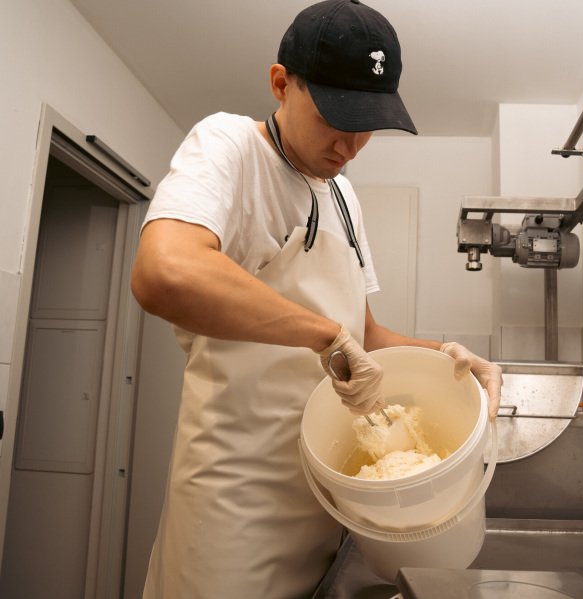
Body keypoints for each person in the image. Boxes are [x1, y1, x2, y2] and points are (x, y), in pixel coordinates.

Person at [130, 1, 502, 597]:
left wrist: (455, 361)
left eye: (369, 123)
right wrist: (324, 336)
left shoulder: (343, 197)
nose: (351, 144)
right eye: (337, 115)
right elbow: (164, 273)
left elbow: (366, 334)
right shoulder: (229, 147)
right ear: (282, 83)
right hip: (235, 506)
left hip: (328, 502)